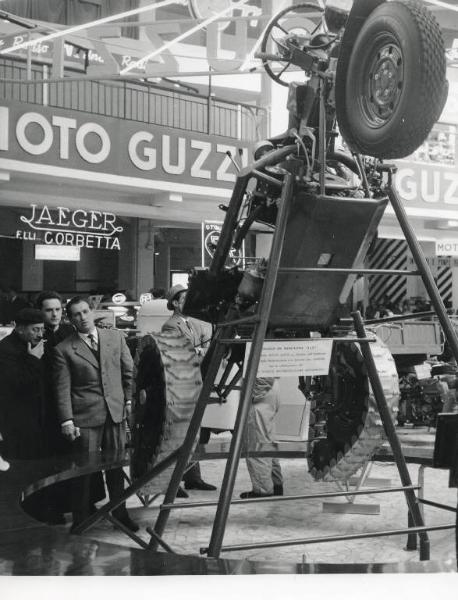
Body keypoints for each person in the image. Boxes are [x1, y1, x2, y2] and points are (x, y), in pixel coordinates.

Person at [53, 296, 138, 533]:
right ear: (70, 319)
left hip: (115, 413)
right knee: (84, 472)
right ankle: (81, 519)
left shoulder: (115, 337)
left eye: (85, 312)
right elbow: (62, 388)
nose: (82, 318)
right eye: (76, 315)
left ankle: (121, 514)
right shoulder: (63, 350)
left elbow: (128, 371)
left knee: (116, 468)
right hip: (85, 418)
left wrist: (129, 400)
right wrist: (67, 420)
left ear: (92, 312)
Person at [36, 291, 106, 524]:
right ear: (41, 312)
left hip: (74, 406)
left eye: (57, 309)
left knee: (80, 458)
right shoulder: (37, 334)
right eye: (49, 310)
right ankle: (53, 507)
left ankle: (85, 503)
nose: (54, 314)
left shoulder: (70, 333)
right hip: (48, 407)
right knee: (55, 460)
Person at [162, 284, 216, 495]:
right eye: (185, 299)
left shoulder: (191, 323)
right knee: (181, 434)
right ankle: (173, 482)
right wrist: (201, 350)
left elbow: (200, 349)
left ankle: (193, 477)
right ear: (175, 303)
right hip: (180, 386)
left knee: (193, 433)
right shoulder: (171, 326)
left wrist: (200, 350)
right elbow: (184, 354)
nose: (190, 303)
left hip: (193, 383)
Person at [240, 377, 283, 498]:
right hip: (272, 386)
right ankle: (276, 484)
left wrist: (252, 394)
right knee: (268, 440)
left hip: (260, 390)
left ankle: (263, 490)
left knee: (257, 443)